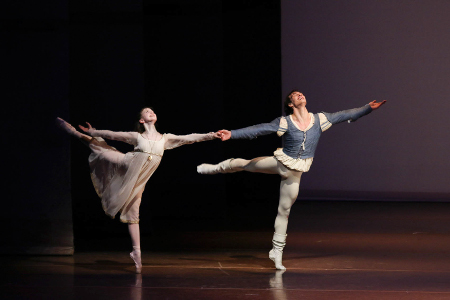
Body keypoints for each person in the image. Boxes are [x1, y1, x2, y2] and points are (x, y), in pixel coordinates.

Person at [198, 91, 386, 270]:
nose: (300, 95)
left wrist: (367, 108)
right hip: (279, 163)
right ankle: (216, 168)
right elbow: (260, 129)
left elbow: (344, 115)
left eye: (301, 93)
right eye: (295, 95)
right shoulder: (285, 122)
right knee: (247, 164)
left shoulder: (319, 119)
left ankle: (276, 252)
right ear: (290, 104)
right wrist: (233, 133)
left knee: (284, 210)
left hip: (295, 173)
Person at [57, 107, 220, 273]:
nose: (151, 112)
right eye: (146, 111)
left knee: (133, 214)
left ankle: (136, 252)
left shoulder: (166, 139)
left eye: (152, 111)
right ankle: (73, 132)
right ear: (142, 120)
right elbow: (114, 134)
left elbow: (189, 138)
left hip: (139, 181)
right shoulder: (137, 136)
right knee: (102, 149)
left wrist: (212, 135)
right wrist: (93, 131)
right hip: (127, 162)